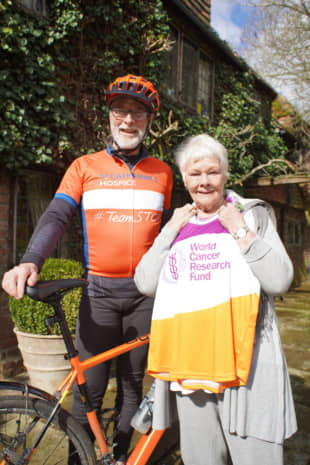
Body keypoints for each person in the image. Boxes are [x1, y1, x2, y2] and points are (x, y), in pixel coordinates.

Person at [2, 74, 173, 465]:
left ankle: (123, 457)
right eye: (119, 110)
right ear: (109, 116)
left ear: (149, 121)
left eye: (137, 113)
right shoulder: (85, 166)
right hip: (98, 296)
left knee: (133, 387)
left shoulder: (163, 173)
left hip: (145, 298)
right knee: (88, 394)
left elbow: (165, 235)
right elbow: (56, 216)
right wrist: (31, 260)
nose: (127, 120)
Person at [134, 133, 297, 465]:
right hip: (191, 372)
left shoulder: (252, 216)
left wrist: (239, 231)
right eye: (195, 174)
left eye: (212, 172)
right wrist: (169, 230)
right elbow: (146, 282)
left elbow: (281, 279)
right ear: (184, 178)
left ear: (225, 175)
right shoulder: (179, 227)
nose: (204, 182)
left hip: (246, 372)